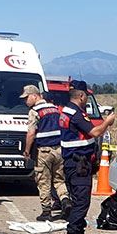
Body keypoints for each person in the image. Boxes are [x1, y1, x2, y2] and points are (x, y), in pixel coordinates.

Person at [58, 80, 116, 234]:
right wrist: (107, 122)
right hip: (79, 164)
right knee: (82, 202)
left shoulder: (66, 111)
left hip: (72, 163)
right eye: (86, 98)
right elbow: (95, 132)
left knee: (78, 200)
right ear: (82, 96)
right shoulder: (76, 114)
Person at [22, 84, 68, 220]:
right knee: (59, 180)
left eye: (26, 98)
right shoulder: (55, 109)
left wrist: (27, 150)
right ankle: (65, 201)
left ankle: (46, 212)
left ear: (34, 96)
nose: (25, 101)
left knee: (43, 181)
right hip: (59, 150)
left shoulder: (34, 111)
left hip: (44, 151)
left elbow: (31, 133)